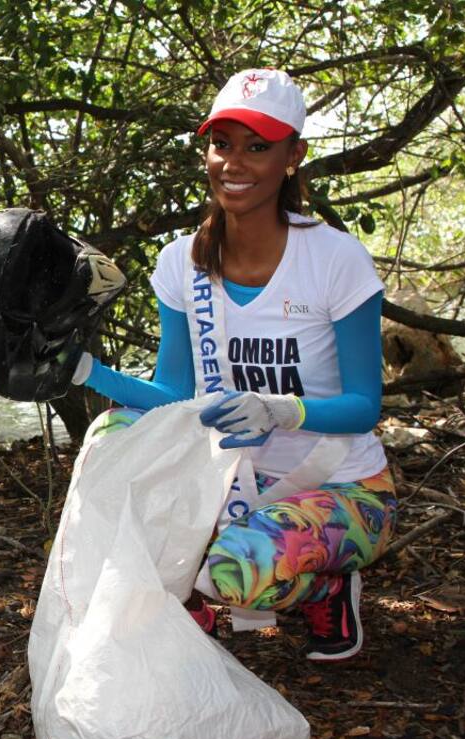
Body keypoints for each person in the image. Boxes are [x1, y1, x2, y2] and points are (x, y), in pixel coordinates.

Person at [70, 68, 396, 661]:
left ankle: (326, 583)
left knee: (233, 573)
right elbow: (174, 394)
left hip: (342, 487)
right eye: (222, 144)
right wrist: (85, 372)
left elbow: (363, 406)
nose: (234, 164)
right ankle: (184, 600)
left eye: (258, 147)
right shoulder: (181, 262)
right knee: (114, 442)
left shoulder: (335, 260)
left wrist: (281, 410)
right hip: (233, 481)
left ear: (293, 156)